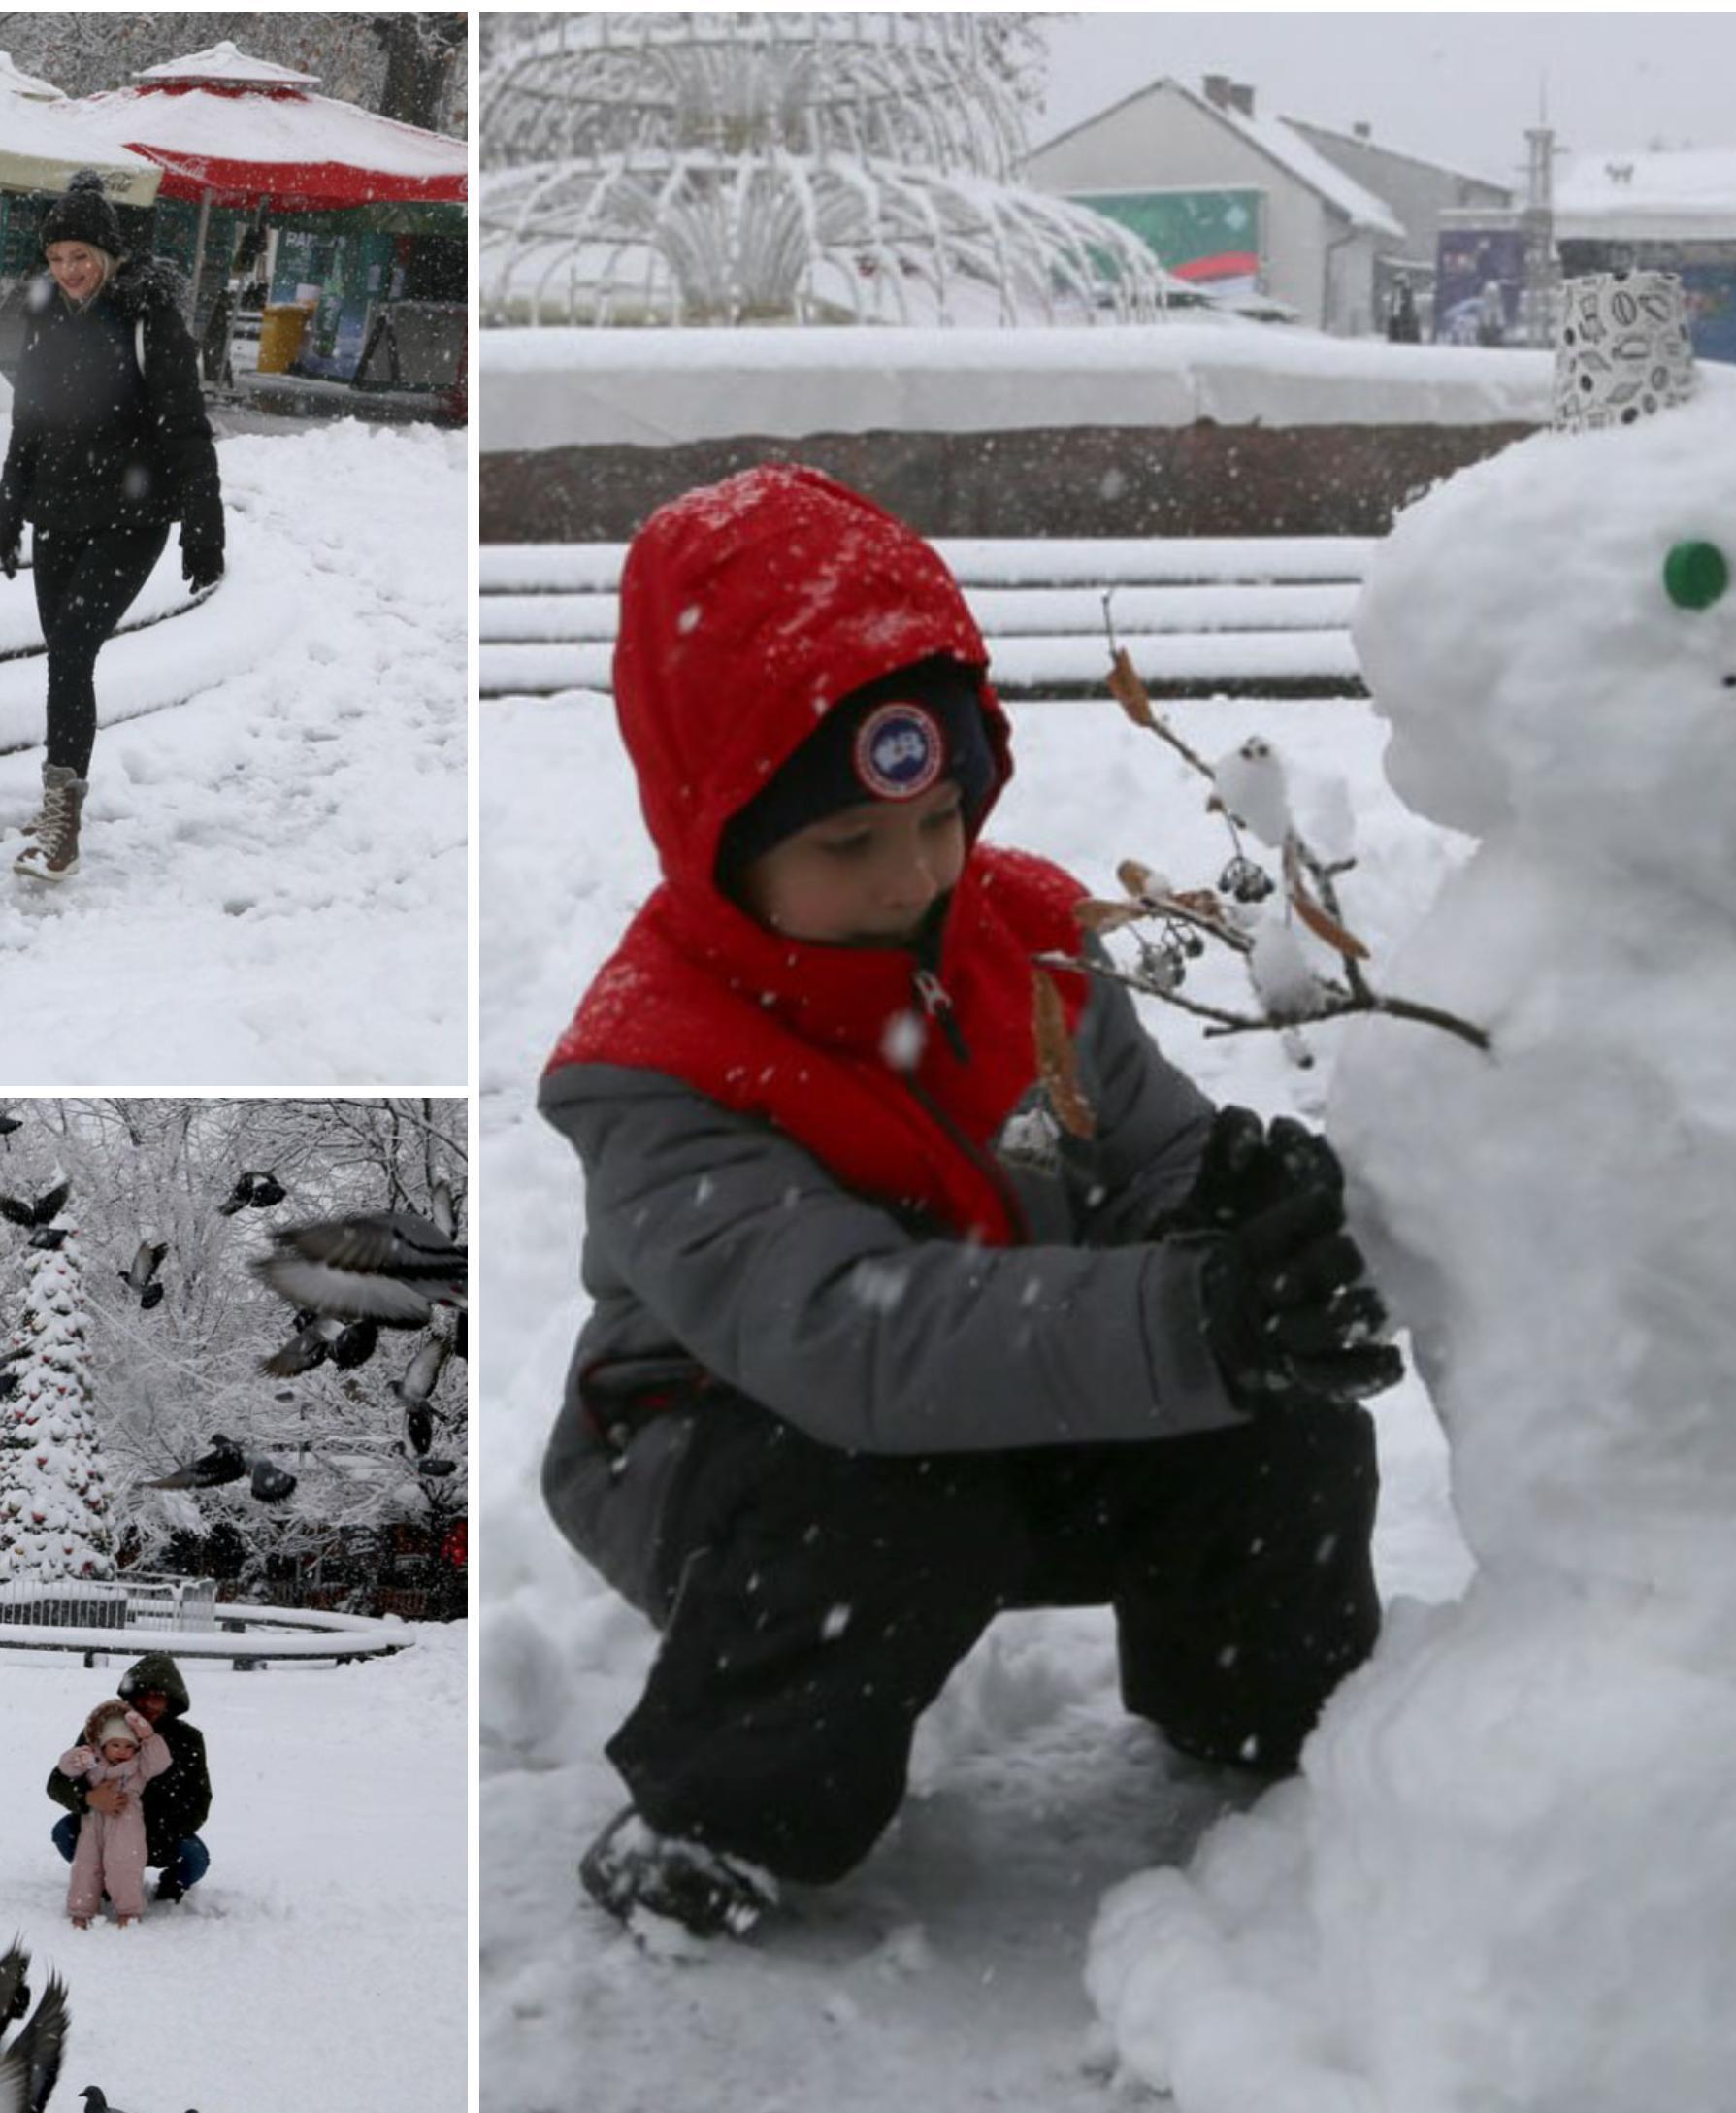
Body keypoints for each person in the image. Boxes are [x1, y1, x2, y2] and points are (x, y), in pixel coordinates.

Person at [539, 464, 1400, 1942]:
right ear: (715, 833)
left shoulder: (1026, 937)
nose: (912, 875)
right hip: (731, 1455)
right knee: (886, 1506)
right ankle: (719, 1809)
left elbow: (1145, 1153)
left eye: (938, 815)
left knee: (1272, 1409)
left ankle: (1281, 1718)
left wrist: (1234, 1219)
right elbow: (847, 1337)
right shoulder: (656, 1063)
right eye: (847, 845)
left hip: (1009, 1406)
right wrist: (1178, 1315)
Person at [0, 172, 226, 883]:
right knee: (67, 657)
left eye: (81, 256)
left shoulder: (152, 320)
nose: (69, 271)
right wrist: (9, 506)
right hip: (58, 514)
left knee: (69, 648)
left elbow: (186, 427)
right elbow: (28, 421)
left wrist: (201, 524)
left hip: (131, 517)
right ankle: (60, 793)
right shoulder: (43, 318)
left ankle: (62, 819)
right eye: (58, 257)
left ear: (110, 254)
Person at [45, 1654, 213, 1905]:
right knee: (65, 1833)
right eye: (143, 1694)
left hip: (160, 1837)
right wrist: (89, 1798)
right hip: (103, 1827)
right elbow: (58, 1782)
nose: (149, 1704)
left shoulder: (188, 1740)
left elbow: (199, 1801)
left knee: (195, 1857)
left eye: (158, 1696)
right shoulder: (103, 1728)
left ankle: (169, 1889)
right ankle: (100, 1880)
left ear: (170, 1700)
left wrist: (152, 1832)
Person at [53, 1700, 172, 1928]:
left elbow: (160, 1762)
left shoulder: (139, 1766)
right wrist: (77, 1757)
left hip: (126, 1820)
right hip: (93, 1821)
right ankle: (81, 1909)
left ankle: (128, 1910)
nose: (122, 1752)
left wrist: (148, 1737)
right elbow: (65, 1769)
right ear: (103, 1744)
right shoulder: (93, 1761)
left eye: (129, 1746)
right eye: (115, 1745)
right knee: (87, 1865)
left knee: (124, 1864)